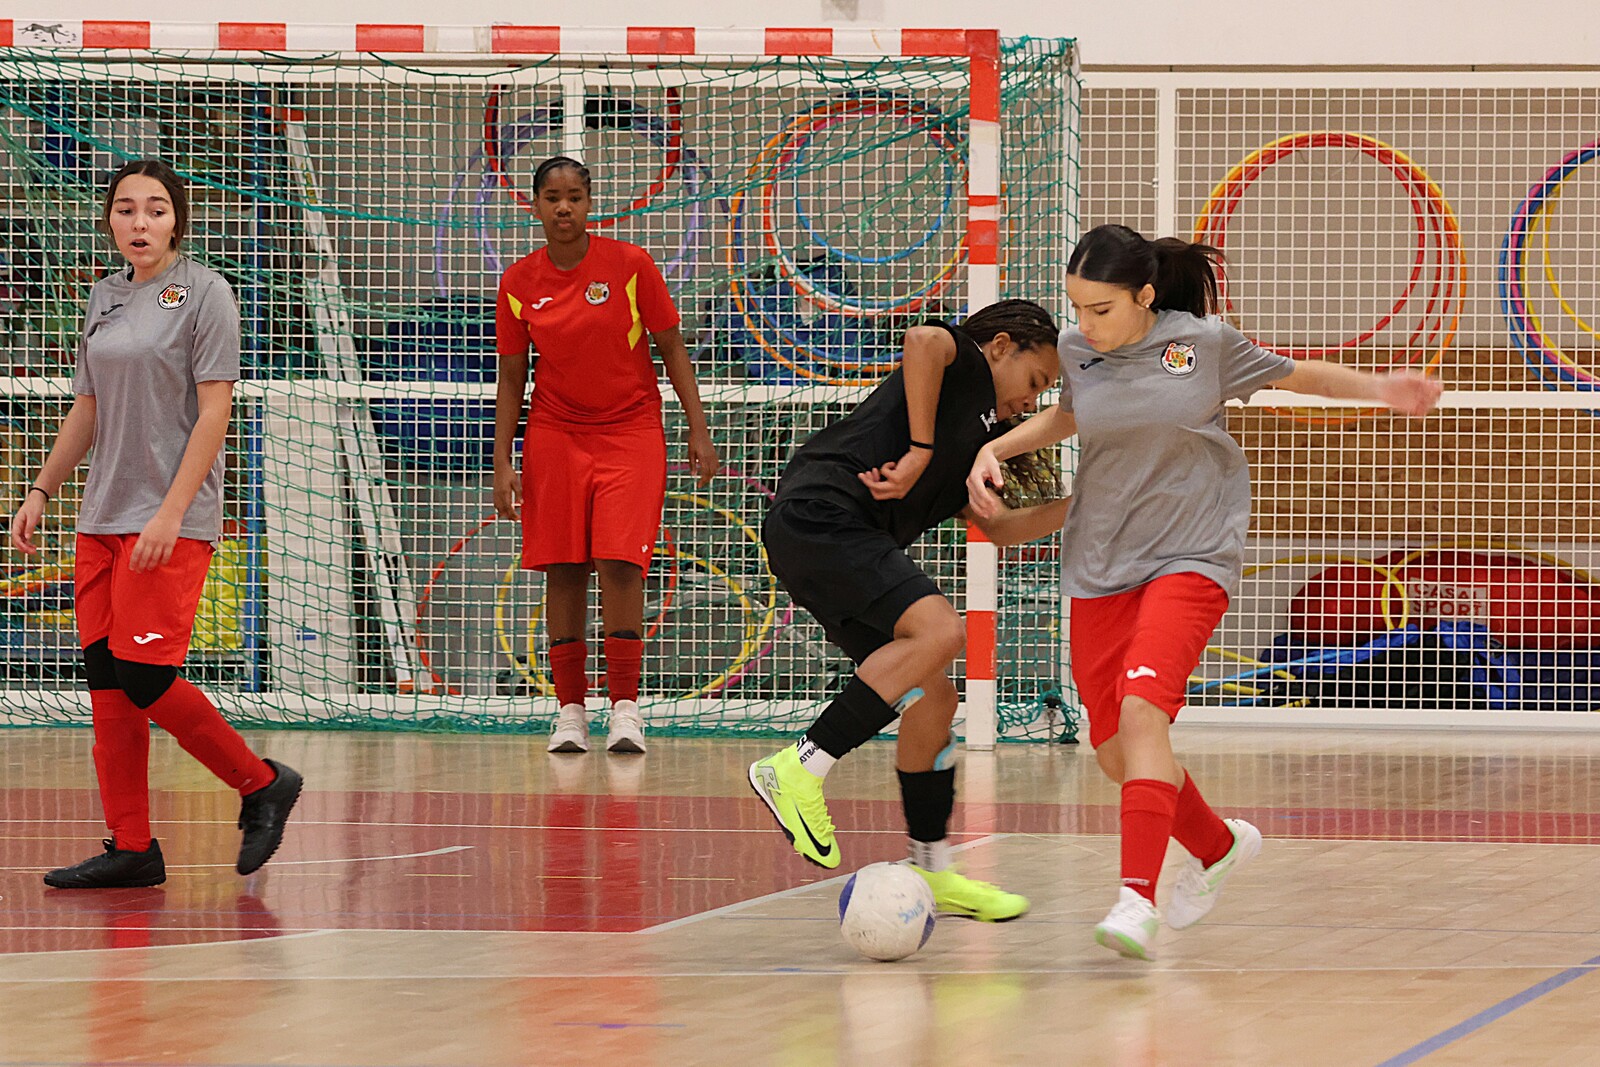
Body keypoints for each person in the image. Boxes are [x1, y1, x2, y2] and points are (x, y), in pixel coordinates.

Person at [968, 224, 1443, 958]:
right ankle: (1217, 847)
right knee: (1114, 752)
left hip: (1192, 554)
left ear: (1145, 296)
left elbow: (1299, 376)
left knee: (1142, 714)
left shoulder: (1203, 345)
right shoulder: (1077, 349)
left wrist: (1383, 389)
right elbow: (1072, 415)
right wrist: (994, 447)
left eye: (1100, 308)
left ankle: (1137, 898)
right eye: (1077, 307)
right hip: (1101, 563)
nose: (1085, 323)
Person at [9, 159, 302, 890]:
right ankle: (132, 846)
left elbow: (215, 411)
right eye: (126, 209)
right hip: (101, 516)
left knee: (145, 674)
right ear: (109, 218)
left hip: (169, 519)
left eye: (155, 209)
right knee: (108, 684)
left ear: (177, 221)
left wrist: (172, 511)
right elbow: (88, 407)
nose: (139, 222)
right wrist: (42, 489)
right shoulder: (105, 295)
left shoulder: (207, 293)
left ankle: (262, 782)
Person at [749, 300, 1066, 922]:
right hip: (823, 514)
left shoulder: (979, 442)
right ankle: (799, 766)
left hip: (823, 537)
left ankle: (932, 868)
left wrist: (1090, 505)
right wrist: (919, 448)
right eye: (1035, 381)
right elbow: (923, 338)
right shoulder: (965, 365)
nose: (1031, 402)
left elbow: (1000, 528)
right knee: (941, 630)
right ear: (1002, 346)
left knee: (934, 701)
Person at [494, 156, 718, 755]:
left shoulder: (631, 265)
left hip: (631, 432)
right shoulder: (518, 282)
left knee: (621, 563)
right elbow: (512, 377)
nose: (563, 207)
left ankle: (625, 709)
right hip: (555, 434)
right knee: (564, 567)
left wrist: (698, 428)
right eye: (552, 198)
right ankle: (569, 712)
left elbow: (672, 348)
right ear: (535, 206)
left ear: (590, 203)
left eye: (574, 196)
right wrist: (502, 460)